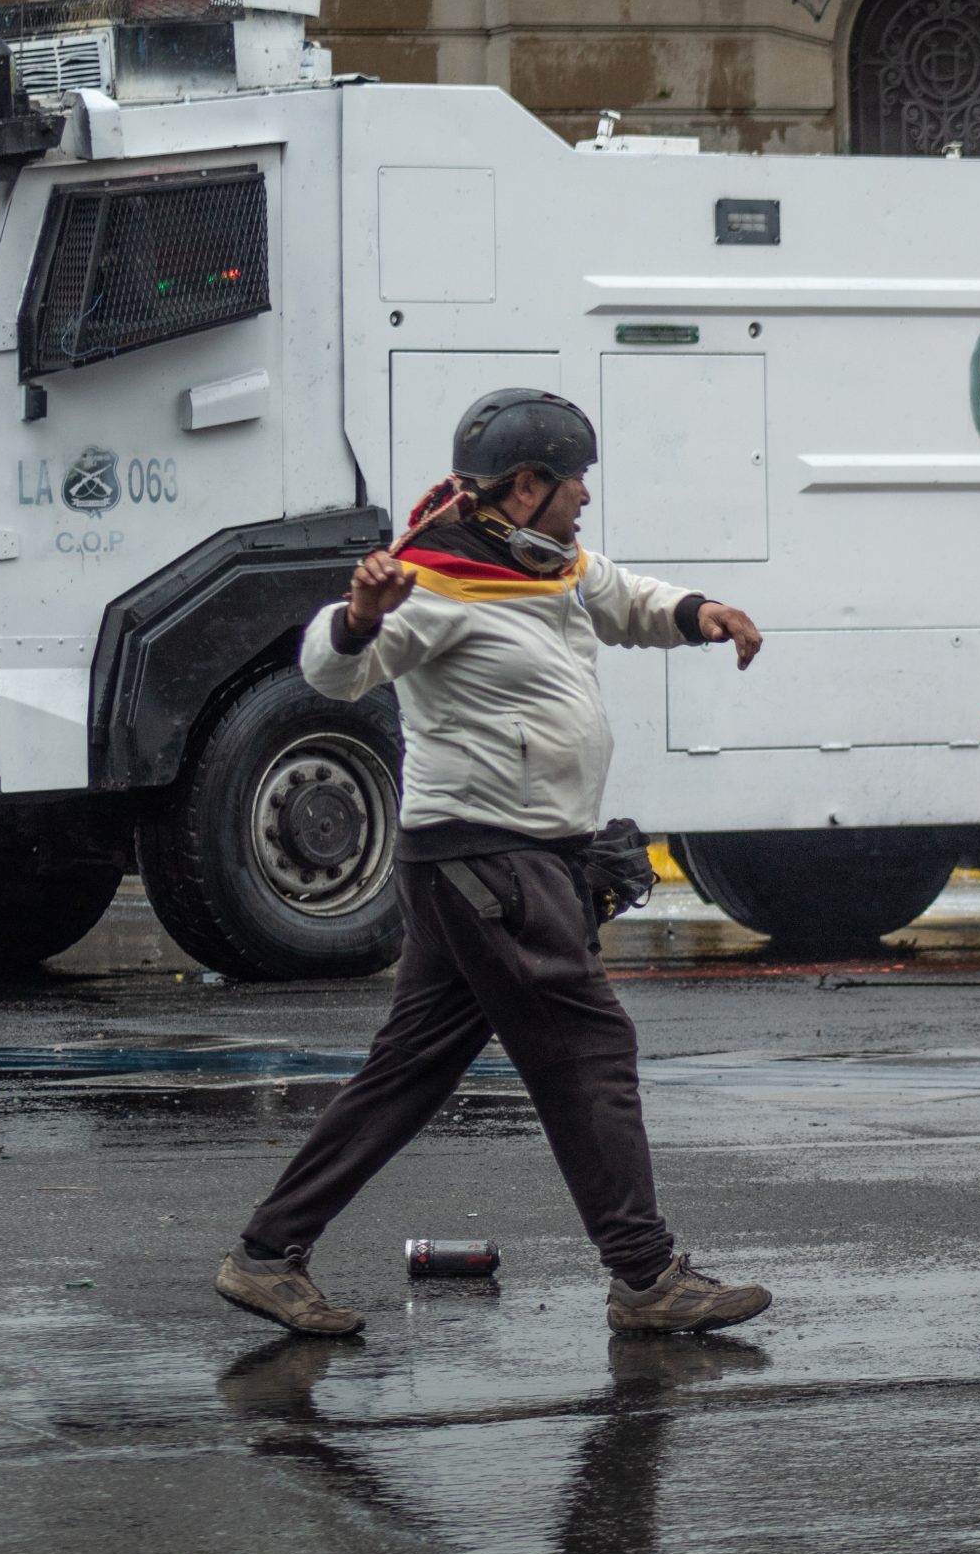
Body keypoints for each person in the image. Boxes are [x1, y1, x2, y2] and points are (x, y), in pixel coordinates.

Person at [215, 388, 773, 1338]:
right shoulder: (431, 582)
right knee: (593, 1051)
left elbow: (618, 595)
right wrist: (355, 617)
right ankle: (646, 1278)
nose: (585, 498)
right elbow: (331, 669)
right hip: (489, 860)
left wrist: (696, 611)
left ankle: (268, 1255)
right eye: (574, 482)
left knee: (410, 1070)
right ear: (525, 487)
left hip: (495, 862)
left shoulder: (544, 561)